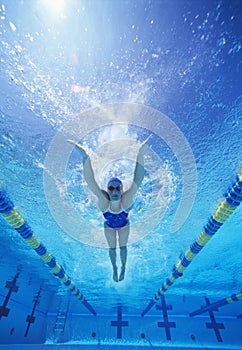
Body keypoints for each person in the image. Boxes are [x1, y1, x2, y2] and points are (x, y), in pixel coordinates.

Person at [67, 135, 152, 282]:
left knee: (123, 248)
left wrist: (140, 153)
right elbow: (90, 181)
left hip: (124, 225)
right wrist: (85, 156)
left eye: (117, 188)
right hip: (109, 226)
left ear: (121, 189)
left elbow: (138, 179)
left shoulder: (126, 200)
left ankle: (123, 268)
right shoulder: (104, 201)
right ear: (107, 190)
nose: (114, 191)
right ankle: (115, 269)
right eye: (110, 188)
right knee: (113, 249)